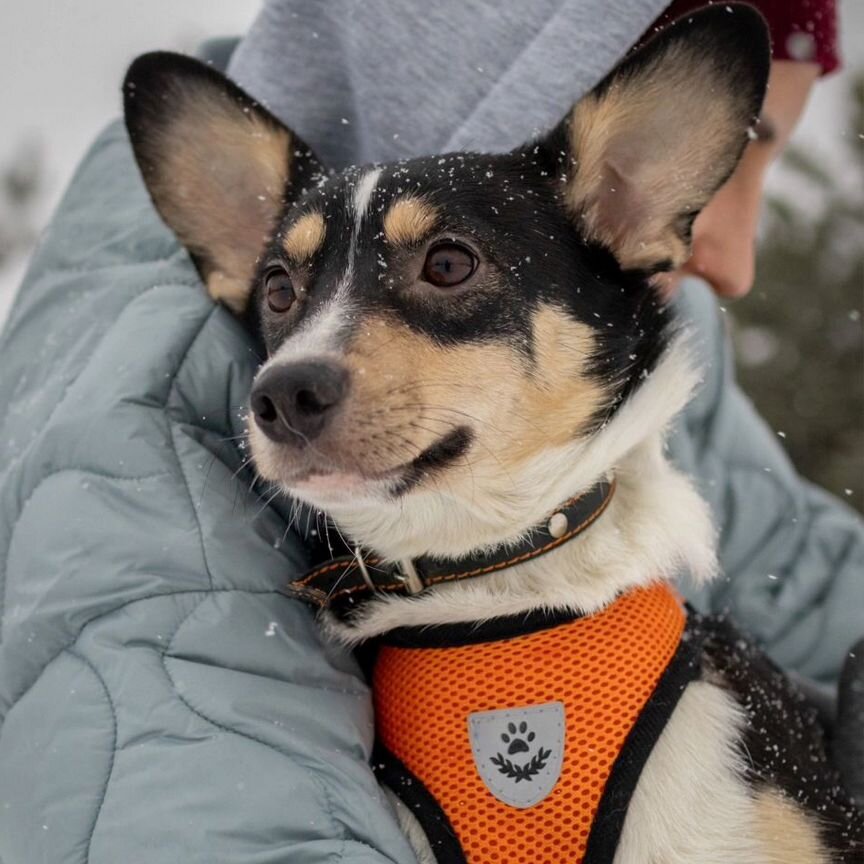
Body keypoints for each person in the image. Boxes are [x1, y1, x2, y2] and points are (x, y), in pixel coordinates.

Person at [0, 2, 859, 861]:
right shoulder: (127, 429)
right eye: (283, 296)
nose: (295, 370)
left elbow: (809, 562)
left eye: (444, 267)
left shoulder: (643, 340)